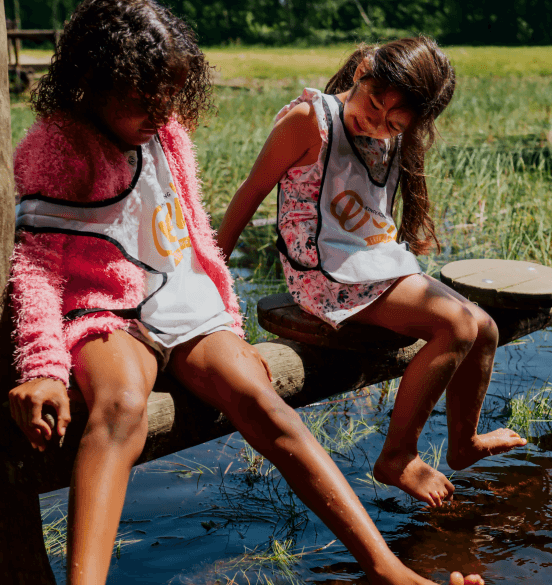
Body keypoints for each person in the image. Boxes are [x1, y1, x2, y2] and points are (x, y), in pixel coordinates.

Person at [6, 1, 485, 584]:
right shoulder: (58, 148)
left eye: (169, 101)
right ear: (92, 85)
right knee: (120, 406)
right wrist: (45, 365)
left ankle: (383, 567)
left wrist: (226, 320)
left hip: (183, 305)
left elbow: (191, 236)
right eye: (143, 104)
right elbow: (33, 264)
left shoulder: (167, 130)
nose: (160, 115)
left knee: (264, 403)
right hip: (107, 311)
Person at [217, 38, 527, 508]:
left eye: (394, 123)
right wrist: (214, 282)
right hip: (324, 272)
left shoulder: (394, 136)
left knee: (484, 328)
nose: (376, 123)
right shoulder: (309, 121)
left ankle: (463, 445)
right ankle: (397, 456)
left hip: (372, 263)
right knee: (458, 324)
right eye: (374, 104)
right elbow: (250, 192)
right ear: (363, 70)